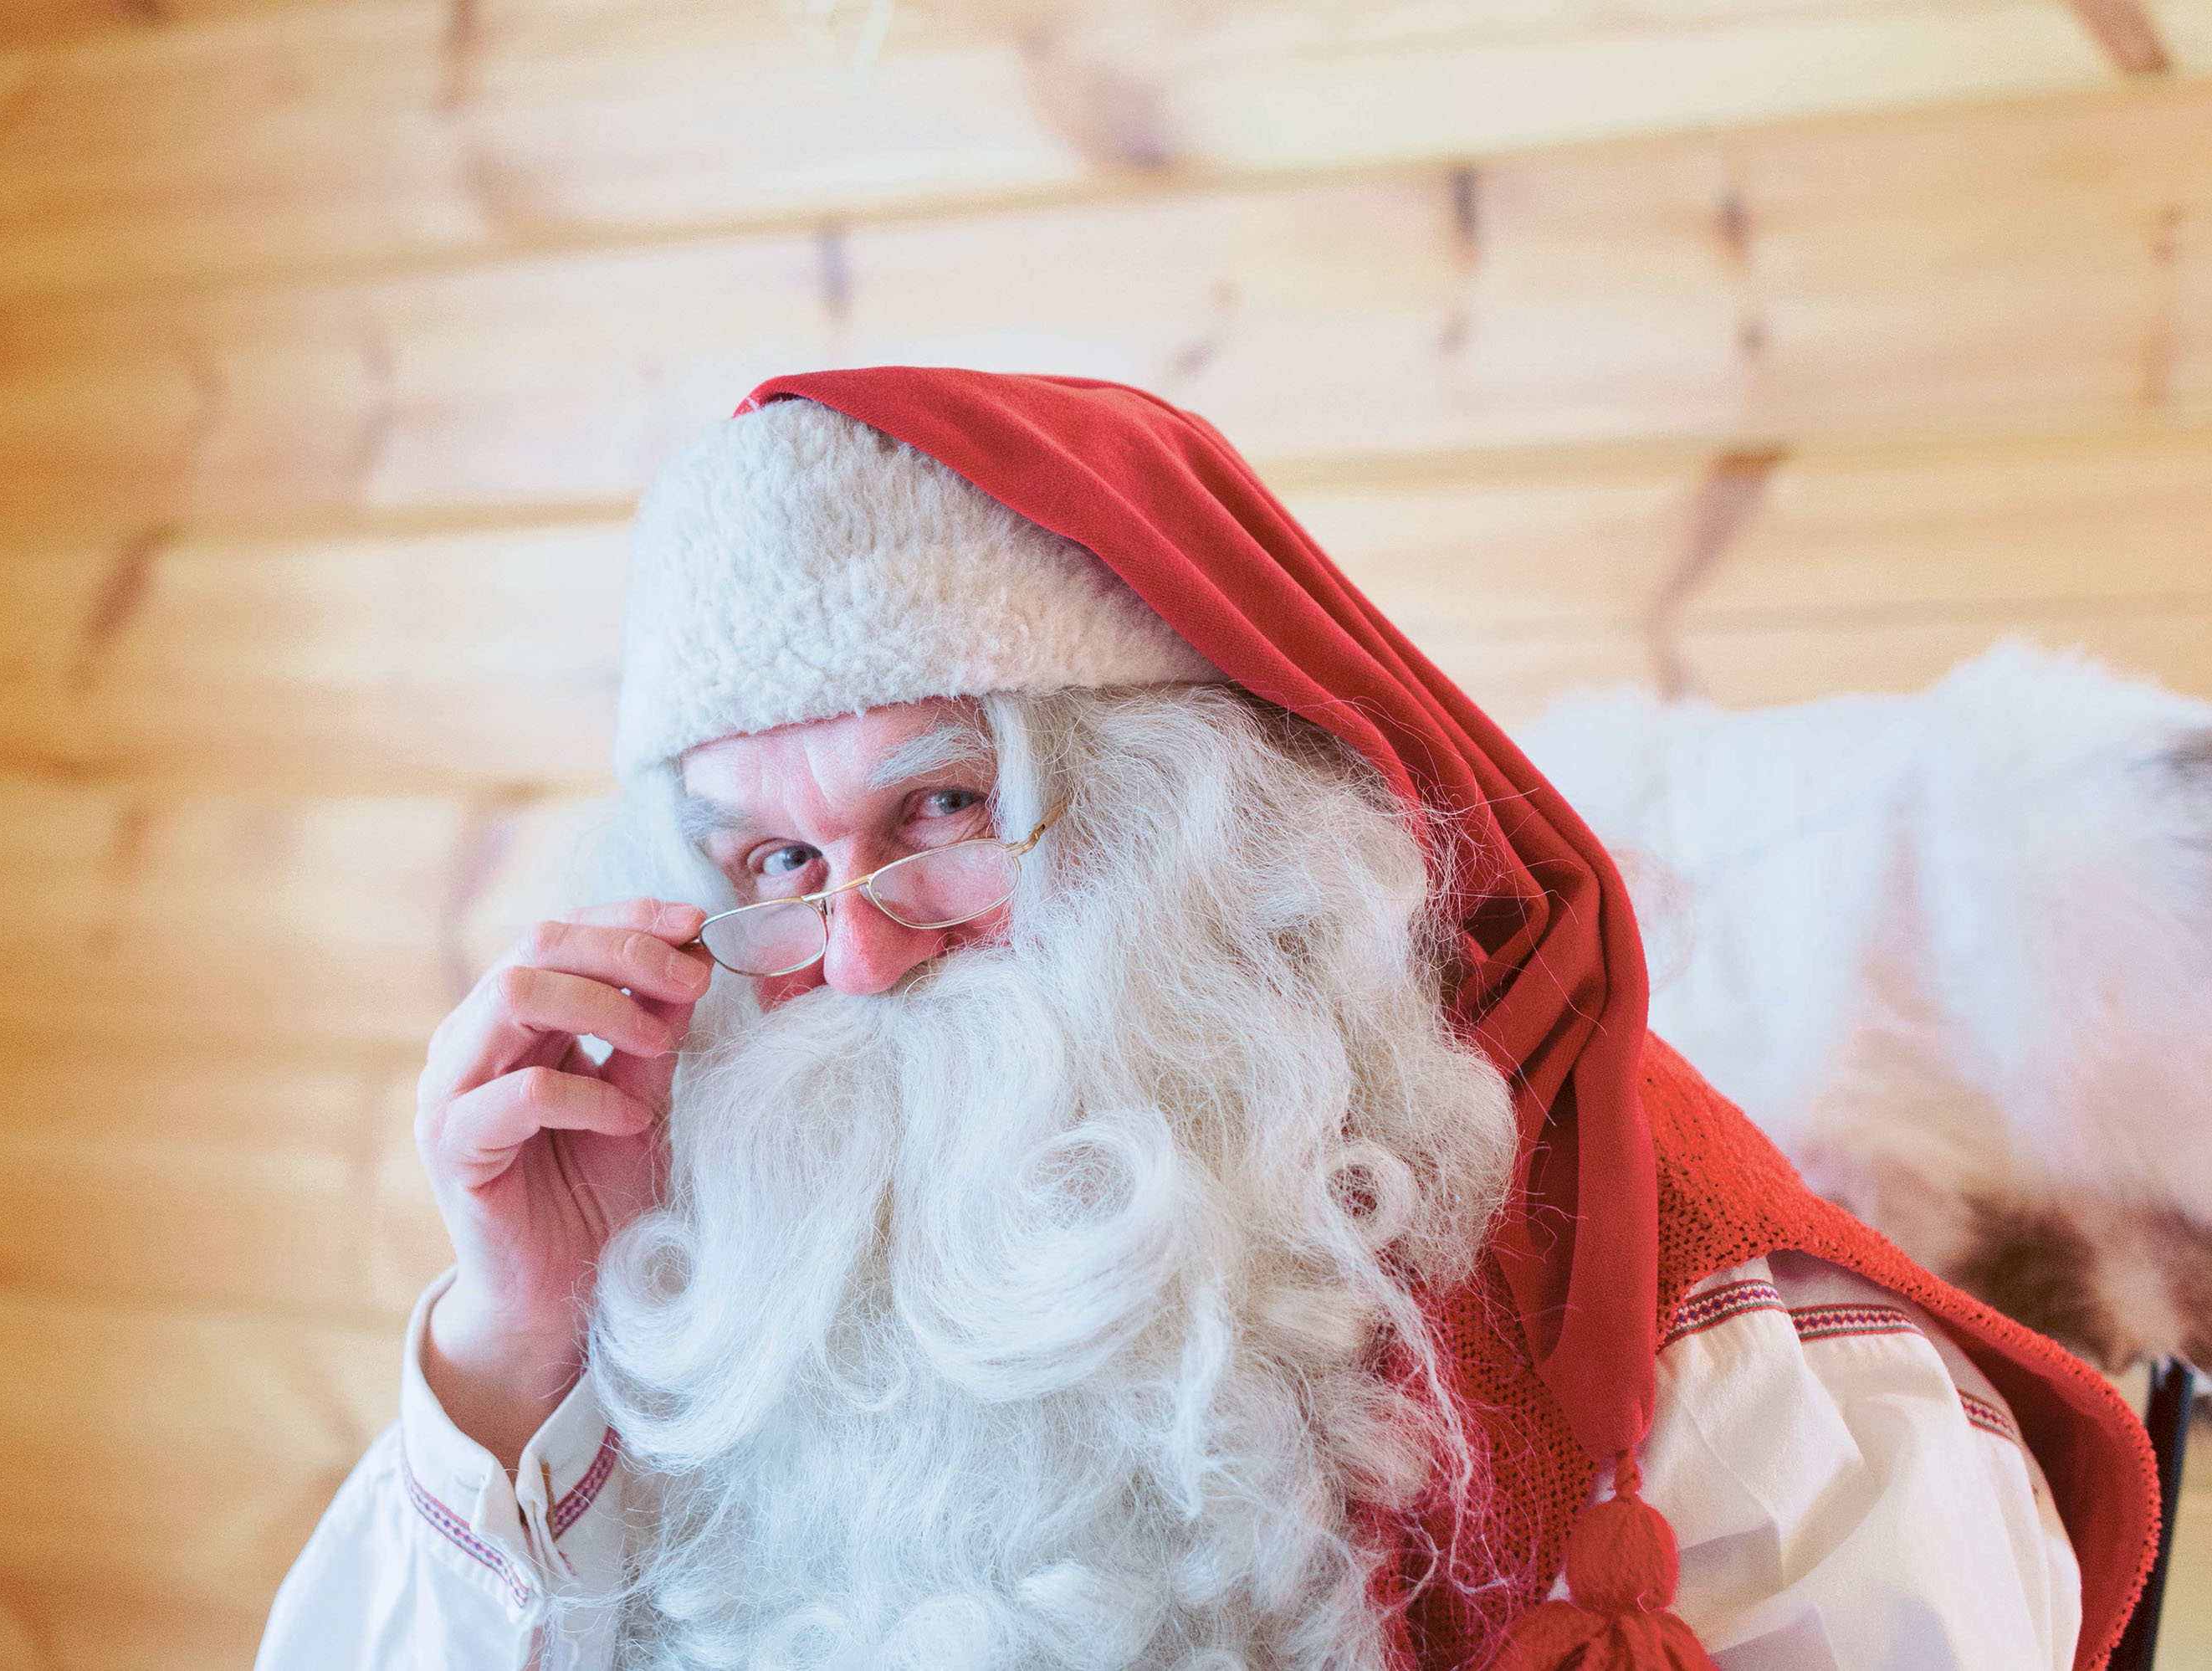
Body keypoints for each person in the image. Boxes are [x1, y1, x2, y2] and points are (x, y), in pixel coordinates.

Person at [256, 369, 2156, 1671]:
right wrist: (517, 1333)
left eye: (940, 811)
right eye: (765, 864)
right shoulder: (731, 1258)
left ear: (1203, 830)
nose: (855, 951)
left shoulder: (1712, 1336)